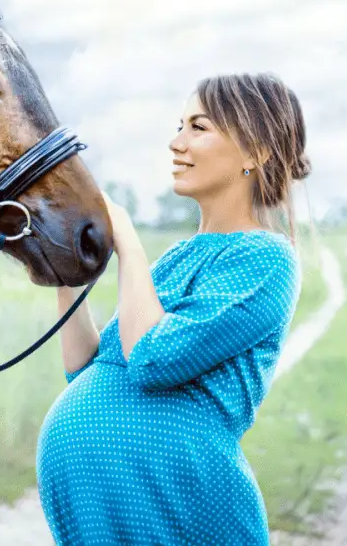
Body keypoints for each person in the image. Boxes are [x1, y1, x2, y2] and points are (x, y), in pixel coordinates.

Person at [36, 72, 311, 545]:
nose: (175, 142)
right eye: (179, 125)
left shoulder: (267, 259)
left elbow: (151, 359)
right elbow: (86, 369)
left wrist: (126, 240)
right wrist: (67, 276)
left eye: (197, 128)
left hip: (183, 511)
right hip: (108, 515)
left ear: (256, 152)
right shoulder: (181, 256)